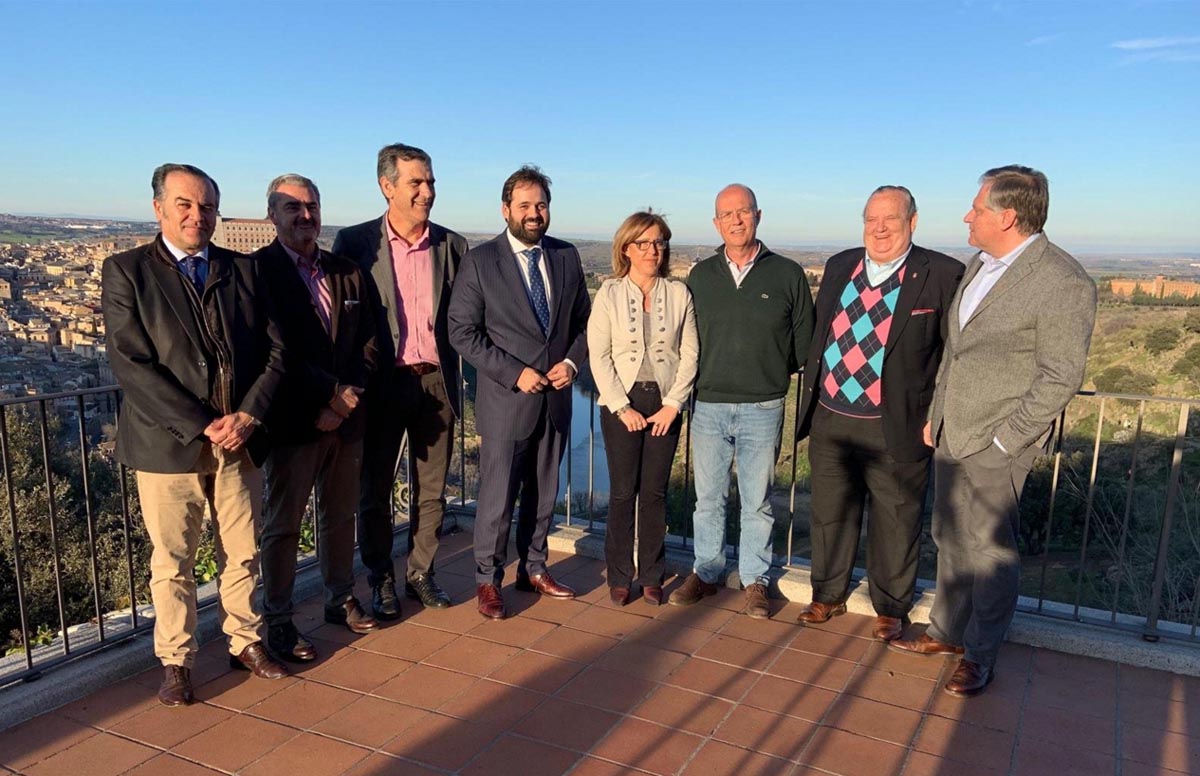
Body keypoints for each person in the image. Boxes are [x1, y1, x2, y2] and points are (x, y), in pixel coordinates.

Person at [890, 166, 1097, 698]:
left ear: (1006, 216)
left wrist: (1008, 438)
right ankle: (946, 632)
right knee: (949, 536)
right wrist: (937, 415)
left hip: (998, 443)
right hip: (953, 431)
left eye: (976, 208)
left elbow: (1061, 375)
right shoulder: (980, 264)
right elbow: (956, 355)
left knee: (989, 551)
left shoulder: (1062, 281)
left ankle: (980, 654)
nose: (967, 215)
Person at [101, 163, 288, 706]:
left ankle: (245, 642)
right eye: (184, 204)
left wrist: (248, 415)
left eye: (206, 206)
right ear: (159, 207)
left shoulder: (243, 270)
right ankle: (177, 661)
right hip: (168, 445)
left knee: (243, 551)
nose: (196, 215)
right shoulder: (127, 271)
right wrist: (203, 423)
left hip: (239, 440)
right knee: (173, 562)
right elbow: (132, 365)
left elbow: (278, 352)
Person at [795, 186, 963, 641]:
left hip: (898, 422)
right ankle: (826, 595)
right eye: (872, 219)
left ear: (913, 221)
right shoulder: (839, 266)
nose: (881, 228)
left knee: (896, 517)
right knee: (830, 512)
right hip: (832, 415)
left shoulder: (942, 273)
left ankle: (891, 607)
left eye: (891, 218)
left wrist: (938, 414)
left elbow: (955, 354)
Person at [448, 165, 591, 620]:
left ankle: (533, 569)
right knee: (497, 497)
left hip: (556, 399)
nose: (534, 213)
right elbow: (461, 331)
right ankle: (487, 581)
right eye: (525, 205)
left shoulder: (566, 256)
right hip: (507, 401)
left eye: (541, 205)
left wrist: (571, 363)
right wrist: (515, 373)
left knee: (543, 493)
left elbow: (587, 323)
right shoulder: (481, 260)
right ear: (506, 209)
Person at [333, 144, 468, 616]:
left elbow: (463, 321)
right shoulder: (354, 244)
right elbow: (342, 321)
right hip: (382, 385)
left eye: (430, 181)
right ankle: (380, 581)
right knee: (374, 490)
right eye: (416, 182)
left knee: (432, 489)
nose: (427, 192)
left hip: (436, 385)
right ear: (387, 186)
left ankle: (421, 575)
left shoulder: (452, 245)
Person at [670, 184, 814, 619]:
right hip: (709, 405)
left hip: (763, 406)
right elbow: (688, 341)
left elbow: (802, 346)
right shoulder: (701, 276)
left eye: (743, 212)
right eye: (726, 214)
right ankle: (708, 571)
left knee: (756, 502)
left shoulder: (787, 275)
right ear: (716, 223)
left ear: (758, 216)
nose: (735, 220)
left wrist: (766, 371)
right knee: (708, 499)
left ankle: (755, 581)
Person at [253, 174, 380, 663]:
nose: (305, 216)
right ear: (272, 215)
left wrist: (346, 399)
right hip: (292, 422)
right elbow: (270, 350)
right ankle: (279, 619)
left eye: (312, 206)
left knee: (339, 515)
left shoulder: (345, 271)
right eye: (292, 208)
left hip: (346, 419)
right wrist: (328, 398)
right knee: (282, 526)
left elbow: (369, 340)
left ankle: (338, 596)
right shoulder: (257, 273)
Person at [587, 212, 698, 606]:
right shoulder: (610, 294)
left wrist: (673, 403)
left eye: (659, 242)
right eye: (644, 243)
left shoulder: (679, 293)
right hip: (623, 403)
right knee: (621, 493)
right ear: (626, 248)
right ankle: (619, 575)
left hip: (665, 403)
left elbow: (690, 353)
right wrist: (621, 406)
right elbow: (599, 357)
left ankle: (652, 574)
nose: (653, 250)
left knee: (654, 493)